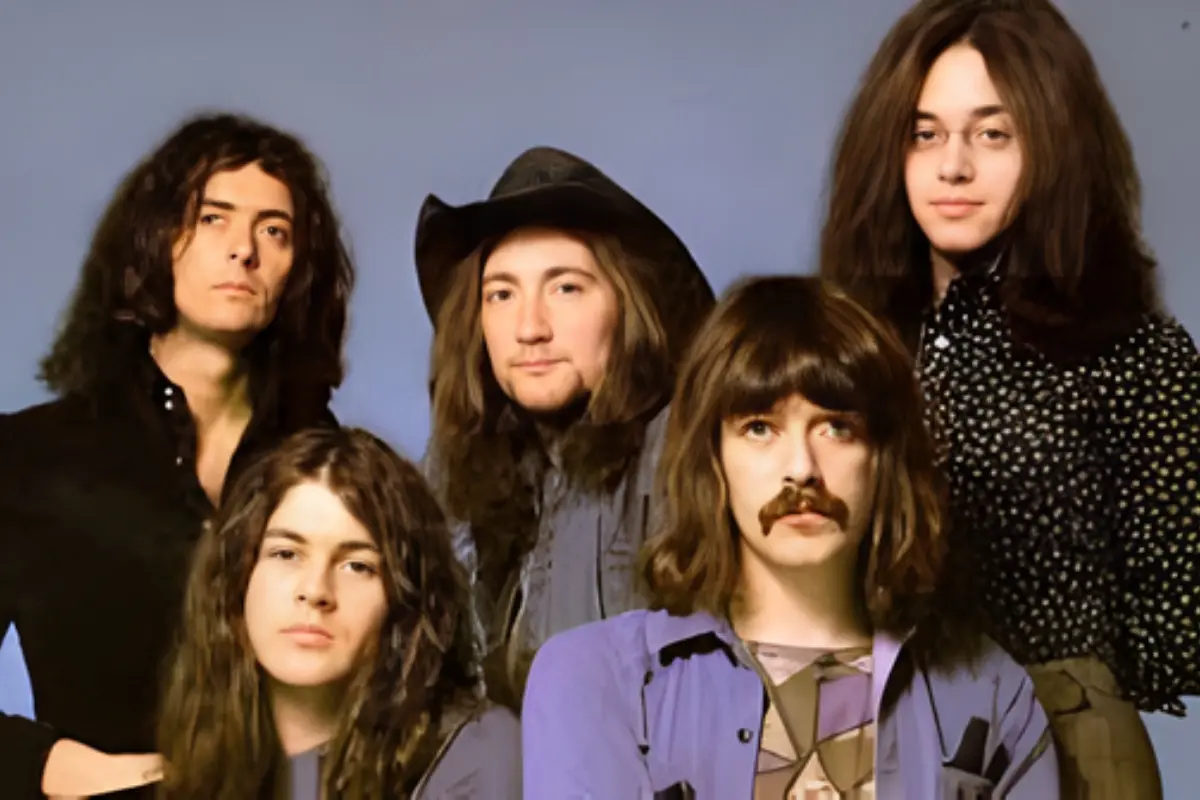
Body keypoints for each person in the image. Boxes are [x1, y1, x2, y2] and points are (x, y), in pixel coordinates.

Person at [818, 0, 1198, 795]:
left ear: (1055, 144)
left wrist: (1074, 678)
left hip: (1068, 737)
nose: (953, 166)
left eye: (993, 133)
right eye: (925, 133)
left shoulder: (1133, 349)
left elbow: (1178, 608)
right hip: (871, 725)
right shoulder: (846, 346)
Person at [522, 275, 1060, 798]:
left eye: (837, 428)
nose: (802, 469)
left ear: (883, 461)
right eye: (760, 427)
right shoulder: (594, 680)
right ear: (713, 459)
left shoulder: (988, 692)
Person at [0, 112, 354, 798]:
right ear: (154, 239)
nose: (243, 250)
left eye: (274, 230)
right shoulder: (27, 455)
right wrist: (55, 768)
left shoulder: (333, 468)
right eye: (212, 218)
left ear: (297, 269)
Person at [415, 146, 715, 709]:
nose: (530, 327)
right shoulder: (456, 474)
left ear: (627, 305)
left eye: (566, 288)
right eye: (501, 294)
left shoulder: (683, 450)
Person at [155, 426, 521, 799]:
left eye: (357, 566)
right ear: (238, 578)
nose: (315, 591)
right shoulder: (205, 760)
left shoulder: (474, 751)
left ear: (404, 599)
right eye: (287, 554)